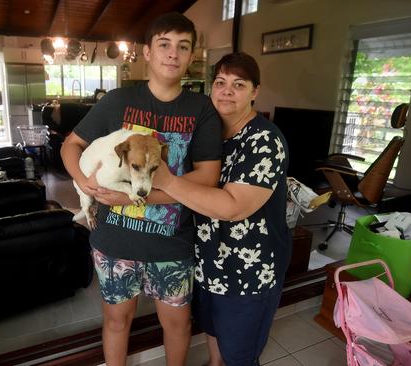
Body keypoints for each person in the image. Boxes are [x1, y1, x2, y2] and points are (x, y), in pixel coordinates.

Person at [60, 12, 222, 366]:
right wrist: (84, 181)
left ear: (192, 55)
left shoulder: (202, 109)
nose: (172, 54)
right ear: (147, 52)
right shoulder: (117, 102)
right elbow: (70, 145)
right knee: (117, 320)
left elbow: (208, 177)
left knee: (178, 324)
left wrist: (135, 196)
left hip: (172, 240)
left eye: (183, 47)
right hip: (115, 240)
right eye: (164, 44)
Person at [152, 52, 291, 366]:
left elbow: (232, 208)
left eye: (239, 84)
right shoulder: (209, 134)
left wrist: (167, 181)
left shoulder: (264, 140)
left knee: (239, 355)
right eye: (221, 82)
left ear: (254, 92)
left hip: (249, 271)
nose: (227, 91)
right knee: (213, 334)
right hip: (208, 260)